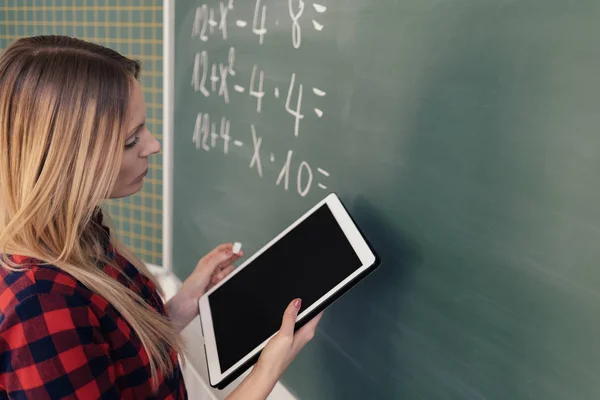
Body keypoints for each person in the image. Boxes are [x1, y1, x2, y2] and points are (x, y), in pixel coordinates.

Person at [0, 35, 322, 399]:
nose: (153, 145)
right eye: (130, 139)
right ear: (65, 159)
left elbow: (117, 357)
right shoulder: (41, 308)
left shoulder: (83, 235)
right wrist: (266, 372)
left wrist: (183, 305)